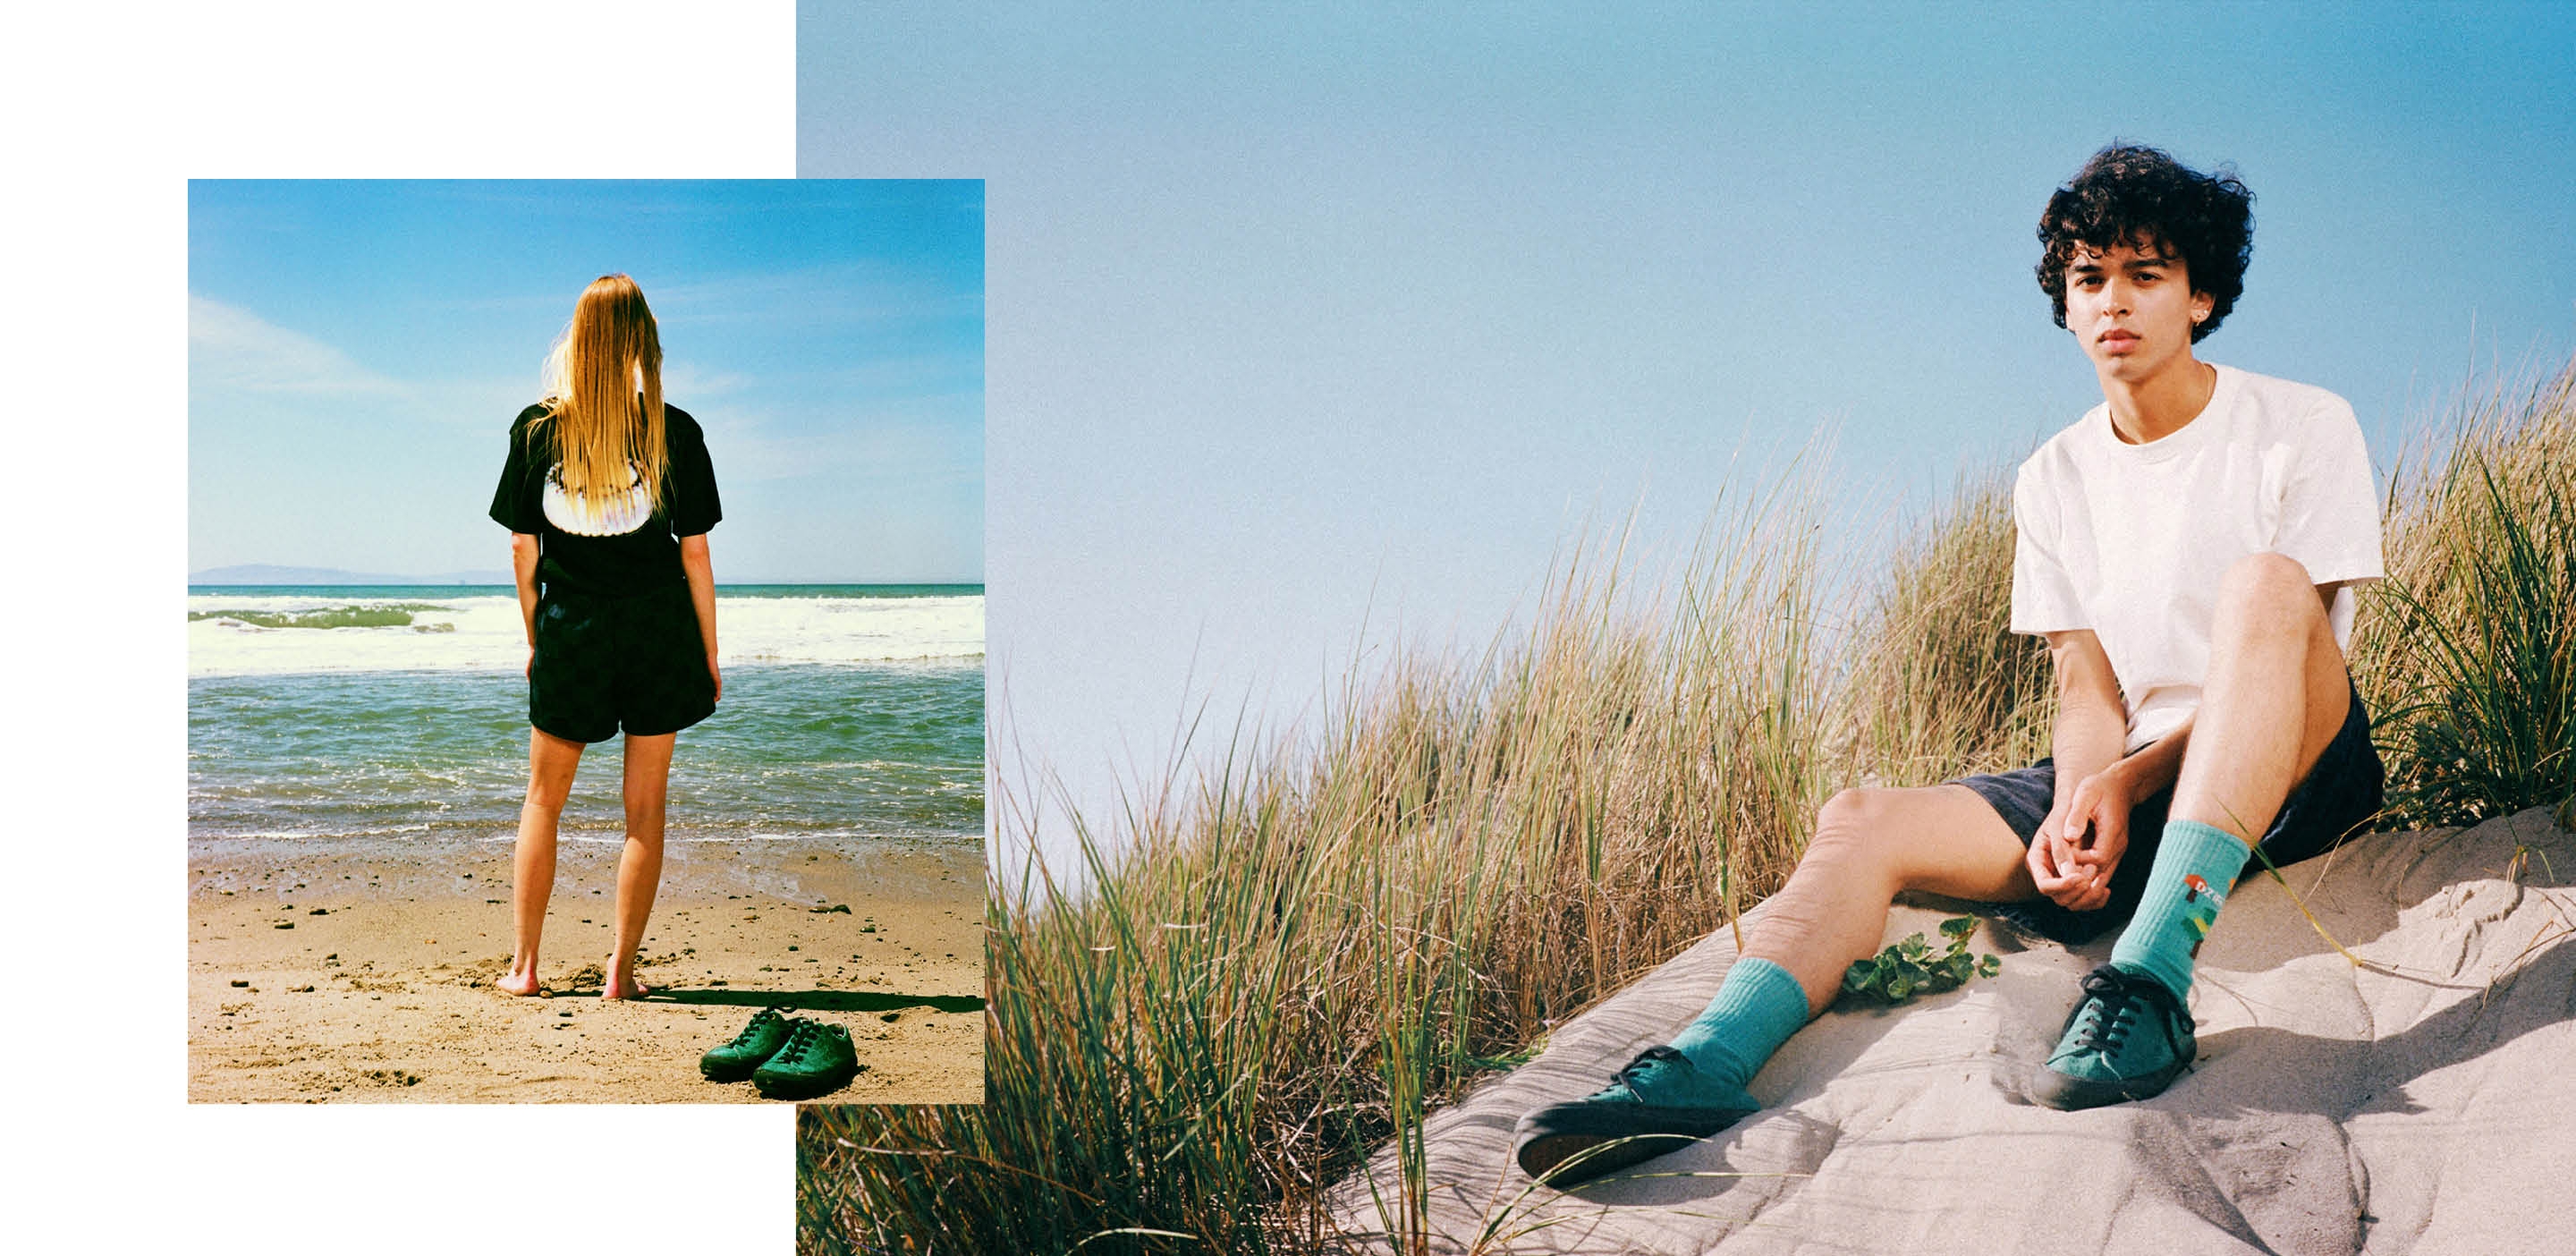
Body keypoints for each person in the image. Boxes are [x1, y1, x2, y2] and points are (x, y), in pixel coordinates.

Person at [1514, 144, 2387, 1187]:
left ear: (2201, 297)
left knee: (2264, 586)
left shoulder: (2301, 424)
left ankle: (2148, 986)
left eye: (2146, 276)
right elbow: (2083, 684)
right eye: (2088, 277)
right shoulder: (2054, 477)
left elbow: (2303, 645)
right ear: (2064, 303)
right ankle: (1705, 1062)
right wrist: (2077, 804)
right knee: (1859, 820)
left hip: (2297, 760)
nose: (2114, 302)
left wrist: (2123, 783)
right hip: (2135, 774)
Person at [487, 274, 724, 1001]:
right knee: (645, 809)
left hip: (572, 628)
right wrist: (709, 653)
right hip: (659, 631)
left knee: (542, 801)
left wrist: (538, 636)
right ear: (642, 342)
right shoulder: (674, 432)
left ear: (579, 338)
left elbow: (524, 550)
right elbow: (696, 556)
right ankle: (620, 972)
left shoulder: (538, 429)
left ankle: (526, 969)